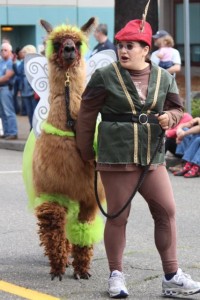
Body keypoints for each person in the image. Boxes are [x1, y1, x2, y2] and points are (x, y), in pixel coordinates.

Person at [76, 15, 200, 299]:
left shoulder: (164, 77)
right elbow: (86, 115)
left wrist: (170, 116)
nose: (123, 50)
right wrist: (85, 152)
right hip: (116, 157)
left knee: (166, 212)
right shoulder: (104, 75)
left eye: (131, 45)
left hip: (153, 156)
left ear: (146, 49)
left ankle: (171, 277)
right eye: (121, 45)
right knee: (119, 217)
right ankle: (116, 275)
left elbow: (178, 109)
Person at [13, 45, 38, 130]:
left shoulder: (35, 62)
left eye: (24, 52)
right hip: (25, 92)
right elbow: (18, 72)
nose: (22, 54)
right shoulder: (23, 62)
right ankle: (31, 129)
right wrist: (14, 63)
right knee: (29, 113)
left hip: (33, 92)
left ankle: (35, 130)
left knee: (35, 113)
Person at [0, 42, 18, 139]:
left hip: (6, 88)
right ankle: (6, 132)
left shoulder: (10, 62)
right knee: (2, 112)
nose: (3, 52)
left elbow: (7, 76)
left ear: (10, 51)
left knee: (8, 111)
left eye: (5, 50)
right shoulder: (1, 62)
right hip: (1, 88)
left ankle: (12, 132)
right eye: (1, 50)